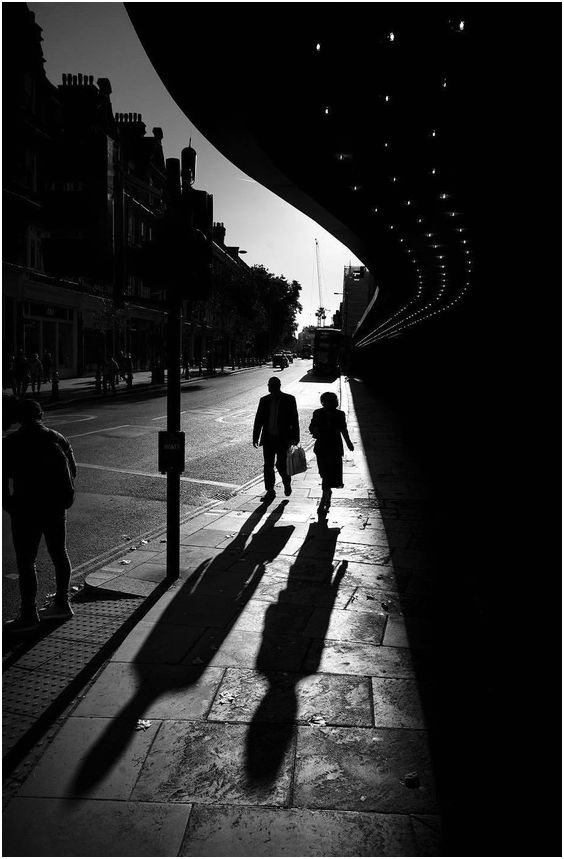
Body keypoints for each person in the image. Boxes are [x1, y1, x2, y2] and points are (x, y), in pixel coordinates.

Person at [3, 398, 77, 632]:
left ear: (19, 418)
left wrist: (9, 505)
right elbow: (72, 470)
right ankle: (62, 604)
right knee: (59, 553)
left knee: (27, 561)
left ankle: (28, 615)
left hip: (25, 508)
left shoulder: (11, 442)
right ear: (40, 415)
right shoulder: (58, 438)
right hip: (55, 506)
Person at [253, 376, 300, 501]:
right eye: (270, 385)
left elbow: (295, 420)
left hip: (283, 438)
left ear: (278, 386)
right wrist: (255, 437)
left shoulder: (289, 399)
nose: (270, 388)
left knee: (281, 465)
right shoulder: (264, 400)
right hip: (268, 438)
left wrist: (295, 438)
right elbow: (258, 420)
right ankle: (270, 490)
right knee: (268, 466)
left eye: (272, 385)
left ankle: (286, 482)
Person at [309, 390, 354, 514]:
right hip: (321, 447)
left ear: (335, 403)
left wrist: (348, 442)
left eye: (331, 401)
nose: (328, 404)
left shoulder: (340, 414)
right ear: (323, 402)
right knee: (323, 473)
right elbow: (311, 426)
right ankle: (327, 492)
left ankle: (323, 499)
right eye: (325, 401)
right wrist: (315, 429)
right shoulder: (317, 413)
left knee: (329, 474)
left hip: (334, 448)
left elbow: (343, 429)